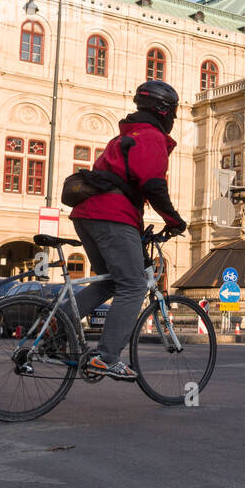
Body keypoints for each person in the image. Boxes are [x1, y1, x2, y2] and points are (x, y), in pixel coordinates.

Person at [71, 79, 187, 380]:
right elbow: (153, 184)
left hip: (87, 214)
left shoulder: (123, 137)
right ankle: (106, 357)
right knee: (134, 285)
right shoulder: (150, 136)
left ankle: (58, 325)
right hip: (112, 215)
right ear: (165, 111)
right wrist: (174, 220)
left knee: (109, 282)